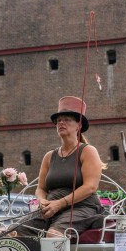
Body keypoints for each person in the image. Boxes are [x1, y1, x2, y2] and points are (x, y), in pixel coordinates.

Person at [15, 96, 106, 237]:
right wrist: (42, 201)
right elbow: (41, 188)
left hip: (82, 207)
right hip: (52, 206)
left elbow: (91, 187)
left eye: (67, 119)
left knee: (53, 235)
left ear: (79, 125)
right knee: (15, 232)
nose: (61, 123)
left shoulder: (87, 151)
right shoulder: (49, 156)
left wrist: (60, 203)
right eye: (58, 120)